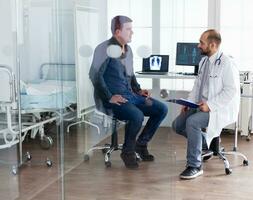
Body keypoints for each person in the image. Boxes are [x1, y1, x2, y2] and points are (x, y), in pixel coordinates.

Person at [89, 15, 168, 169]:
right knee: (136, 116)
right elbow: (94, 75)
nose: (132, 33)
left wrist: (139, 90)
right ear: (118, 31)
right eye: (129, 29)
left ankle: (141, 144)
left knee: (161, 109)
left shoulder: (128, 49)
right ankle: (128, 151)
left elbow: (130, 75)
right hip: (113, 99)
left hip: (131, 95)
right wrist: (109, 96)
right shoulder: (104, 49)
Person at [172, 29, 240, 179]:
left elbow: (231, 91)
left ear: (213, 45)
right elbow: (197, 86)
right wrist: (188, 102)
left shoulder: (227, 63)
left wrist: (210, 106)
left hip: (218, 109)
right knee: (177, 125)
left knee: (192, 122)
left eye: (201, 43)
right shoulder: (204, 61)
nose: (198, 45)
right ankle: (204, 143)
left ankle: (195, 165)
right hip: (200, 105)